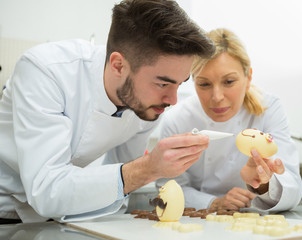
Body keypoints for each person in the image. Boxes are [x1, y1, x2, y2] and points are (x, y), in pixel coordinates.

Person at [0, 0, 215, 224]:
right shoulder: (46, 71)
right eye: (163, 84)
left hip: (58, 215)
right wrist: (148, 168)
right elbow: (47, 188)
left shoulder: (147, 107)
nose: (173, 100)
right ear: (118, 65)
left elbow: (122, 185)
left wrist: (142, 171)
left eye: (180, 84)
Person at [158, 28, 302, 212]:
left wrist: (263, 184)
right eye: (204, 84)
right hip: (199, 220)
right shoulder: (177, 119)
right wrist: (212, 203)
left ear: (248, 77)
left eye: (228, 82)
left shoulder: (268, 109)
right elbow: (169, 187)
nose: (217, 97)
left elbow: (292, 187)